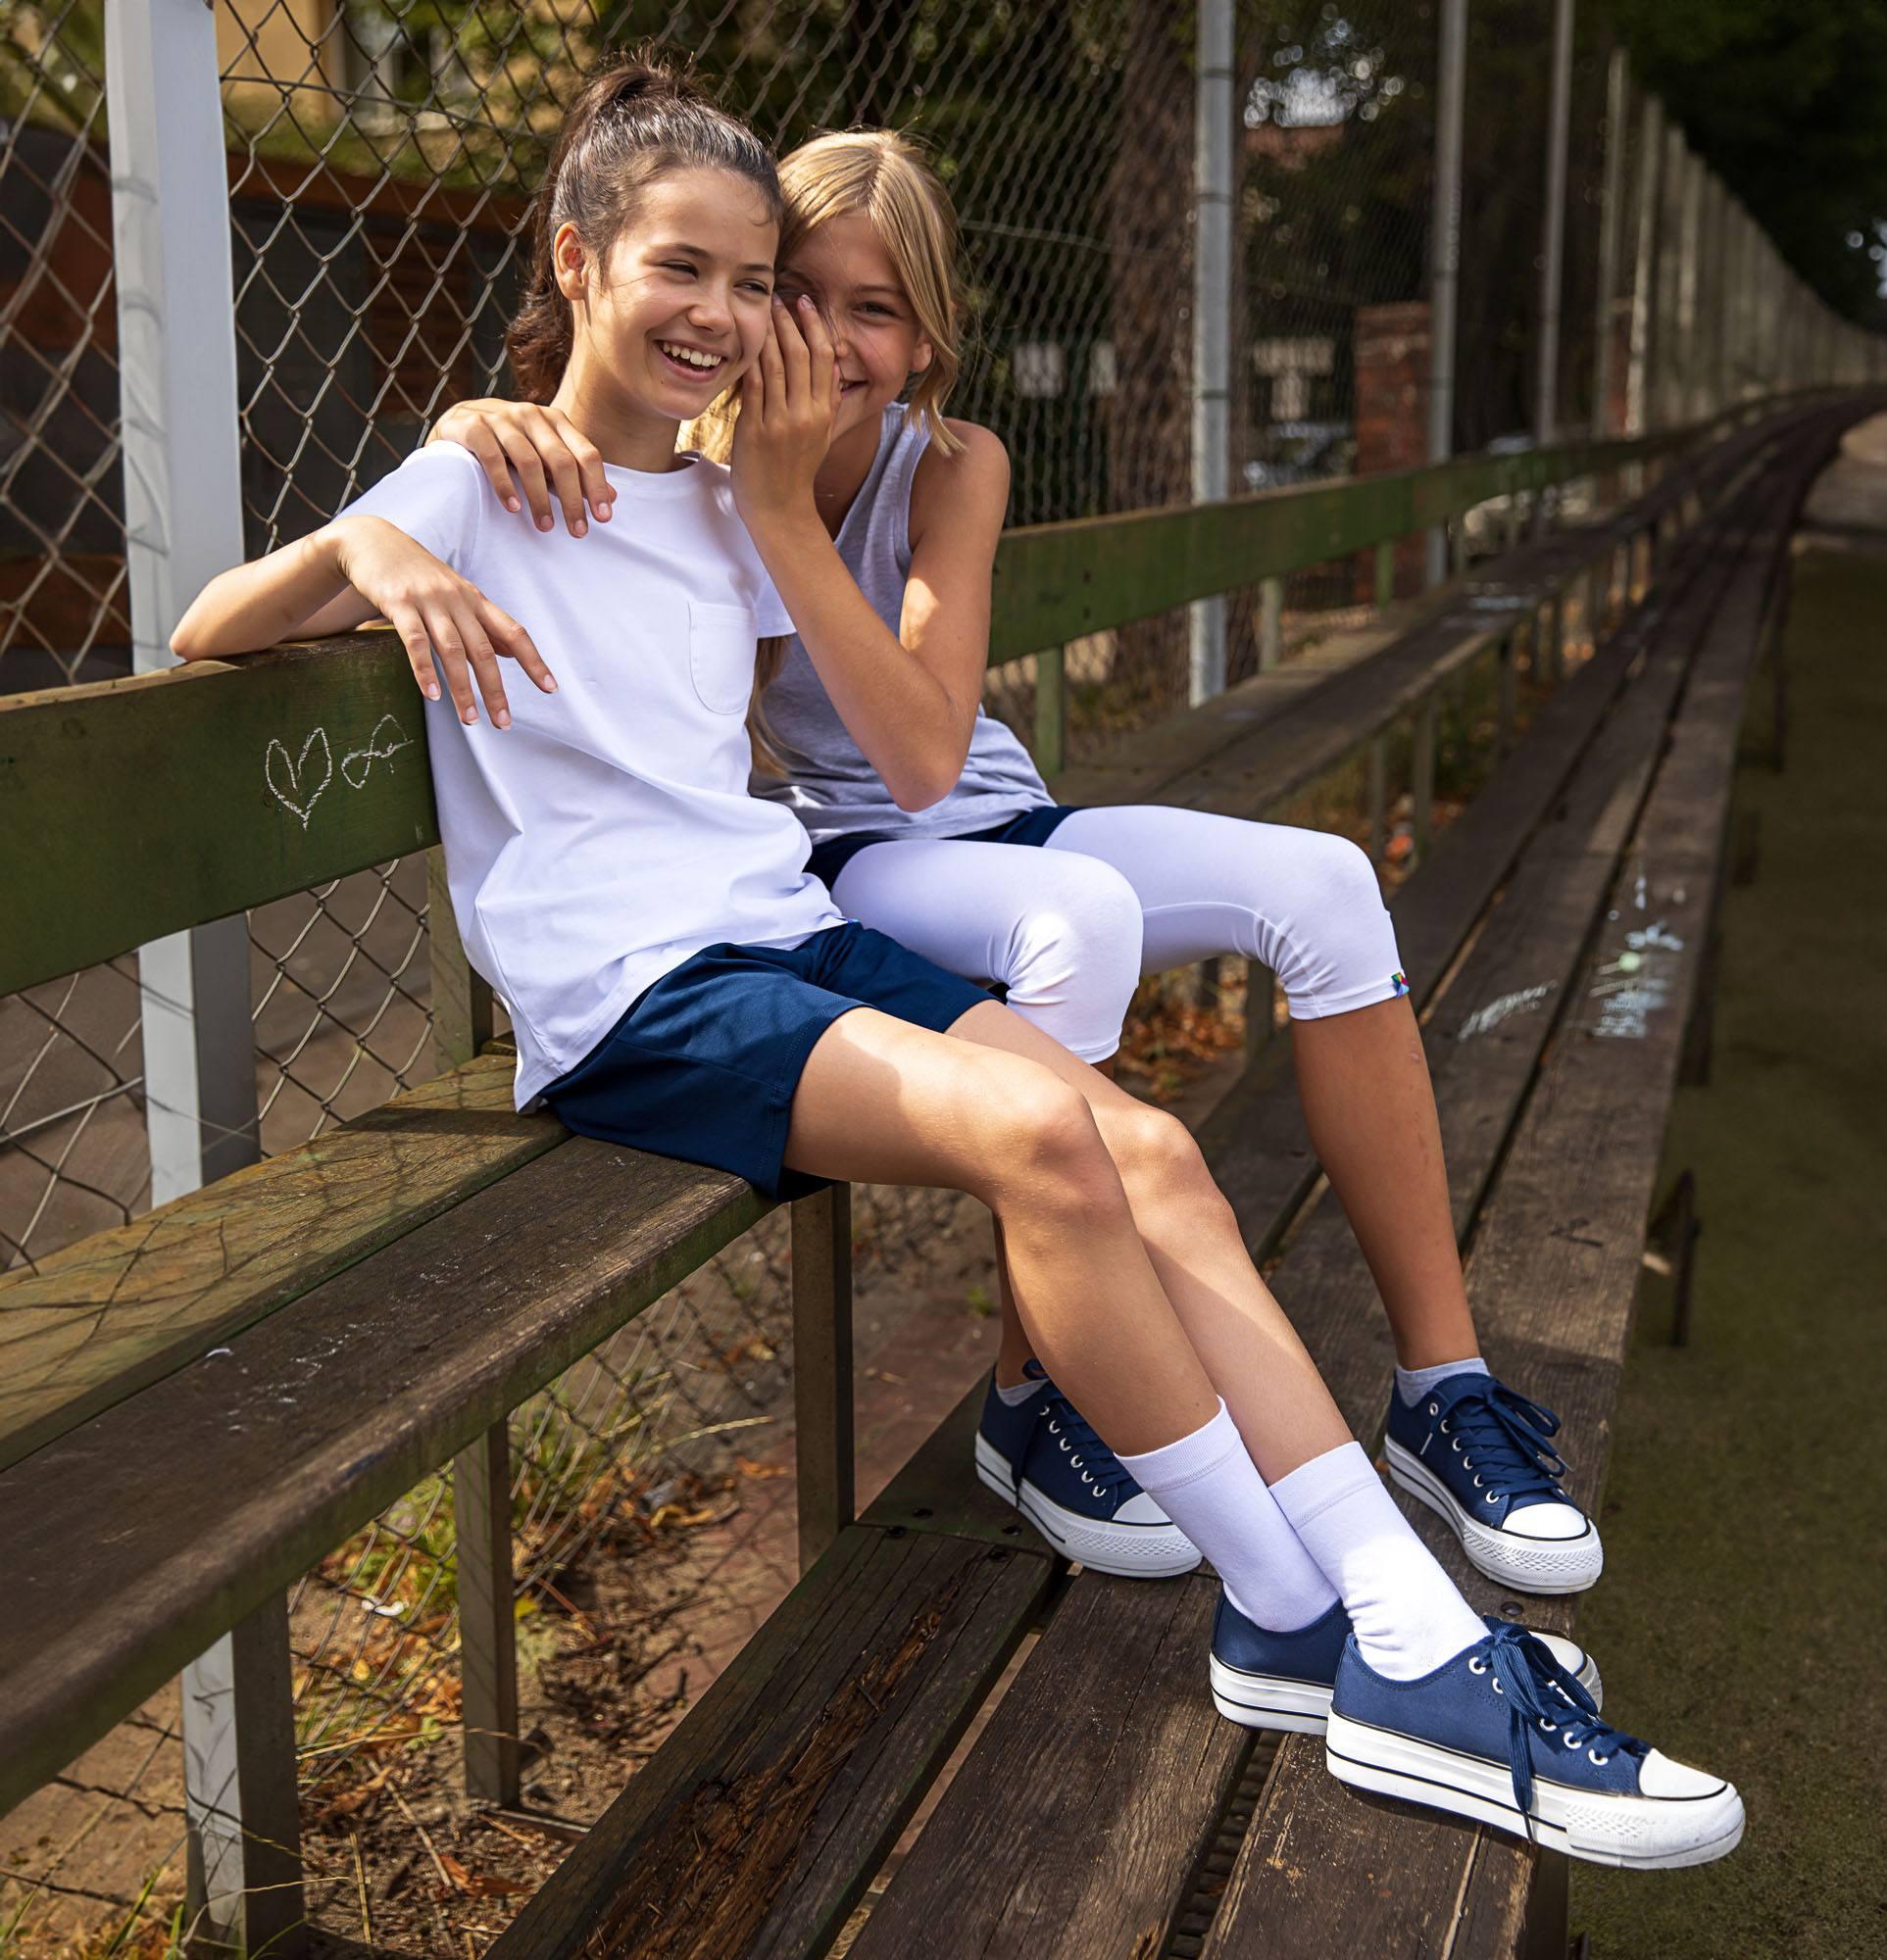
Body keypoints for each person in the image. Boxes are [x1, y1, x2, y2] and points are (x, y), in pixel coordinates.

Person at [174, 62, 1741, 1866]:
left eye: (755, 284)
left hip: (791, 932)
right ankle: (1327, 1624)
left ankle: (1404, 1630)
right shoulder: (474, 482)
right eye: (688, 269)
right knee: (1055, 1141)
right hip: (634, 1000)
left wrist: (783, 465)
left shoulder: (718, 506)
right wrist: (380, 528)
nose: (730, 318)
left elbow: (870, 657)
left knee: (1142, 1146)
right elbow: (215, 626)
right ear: (579, 257)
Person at [430, 129, 1601, 1608]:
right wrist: (487, 422)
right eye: (800, 292)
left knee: (1328, 887)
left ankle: (1444, 1388)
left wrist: (792, 509)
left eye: (878, 306)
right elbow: (569, 469)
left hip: (991, 818)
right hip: (840, 864)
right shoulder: (707, 467)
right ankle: (1035, 1398)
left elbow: (937, 758)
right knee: (1077, 918)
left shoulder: (952, 463)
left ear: (927, 333)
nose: (833, 338)